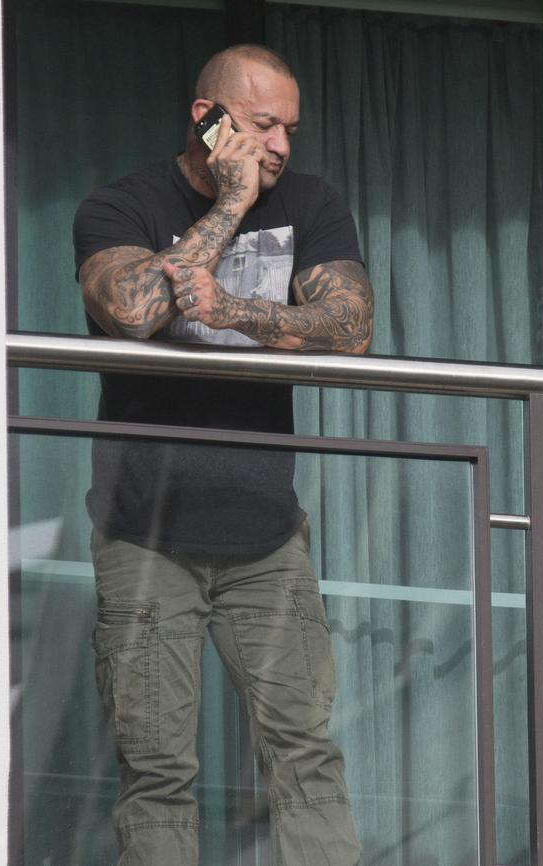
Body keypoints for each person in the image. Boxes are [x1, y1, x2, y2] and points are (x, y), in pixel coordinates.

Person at [73, 43, 373, 866]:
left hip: (267, 537)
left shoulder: (313, 203)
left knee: (304, 753)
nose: (280, 146)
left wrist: (237, 308)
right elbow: (132, 310)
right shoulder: (121, 205)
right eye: (264, 125)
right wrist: (232, 204)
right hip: (144, 533)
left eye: (291, 129)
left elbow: (351, 328)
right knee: (159, 769)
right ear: (208, 121)